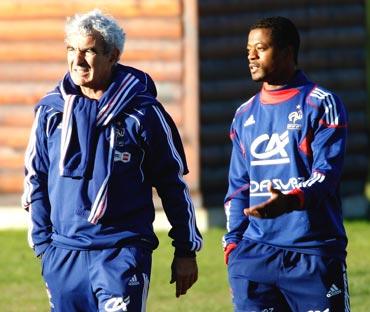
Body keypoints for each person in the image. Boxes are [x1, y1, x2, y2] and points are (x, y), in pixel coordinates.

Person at [22, 9, 202, 312]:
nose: (78, 61)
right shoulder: (51, 112)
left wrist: (185, 250)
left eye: (89, 51)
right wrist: (44, 245)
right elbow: (35, 178)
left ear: (113, 55)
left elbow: (173, 185)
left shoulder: (144, 114)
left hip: (121, 253)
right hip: (63, 256)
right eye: (71, 50)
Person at [223, 16, 350, 311]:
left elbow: (326, 176)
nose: (251, 56)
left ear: (287, 51)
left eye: (261, 48)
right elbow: (238, 188)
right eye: (248, 51)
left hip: (312, 253)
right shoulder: (244, 115)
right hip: (254, 256)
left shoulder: (322, 103)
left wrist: (290, 201)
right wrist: (233, 246)